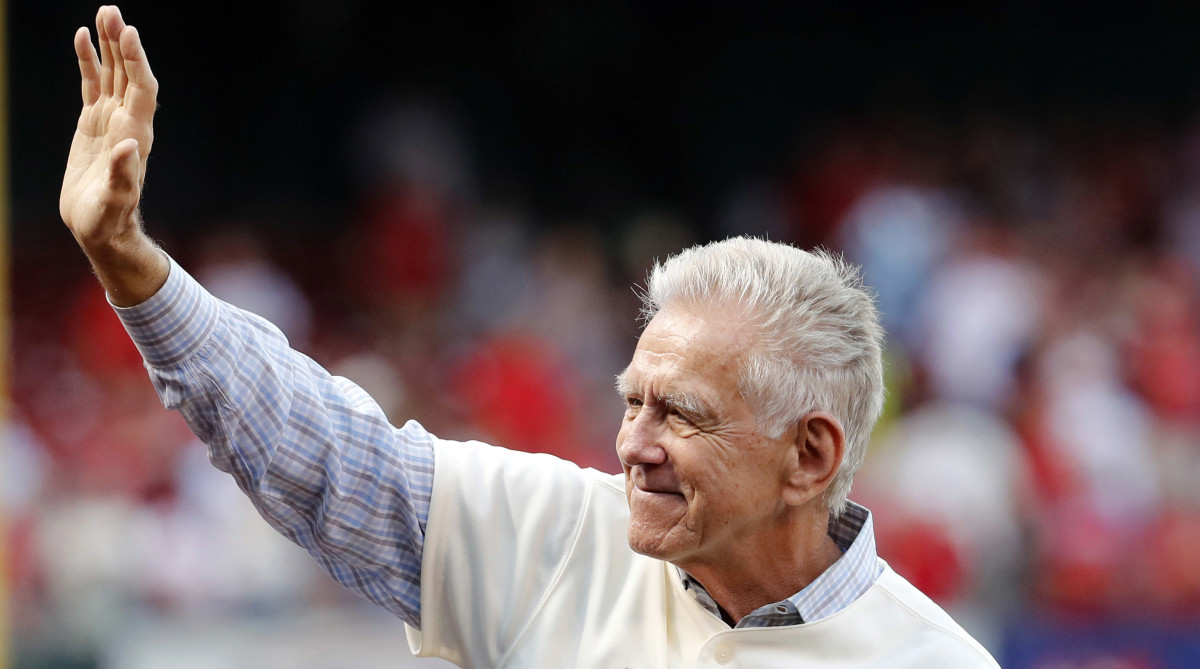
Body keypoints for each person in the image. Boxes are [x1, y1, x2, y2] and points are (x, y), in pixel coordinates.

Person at [60, 7, 1000, 667]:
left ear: (809, 454)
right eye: (633, 401)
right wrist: (129, 263)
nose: (633, 443)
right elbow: (325, 457)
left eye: (682, 414)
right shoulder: (565, 537)